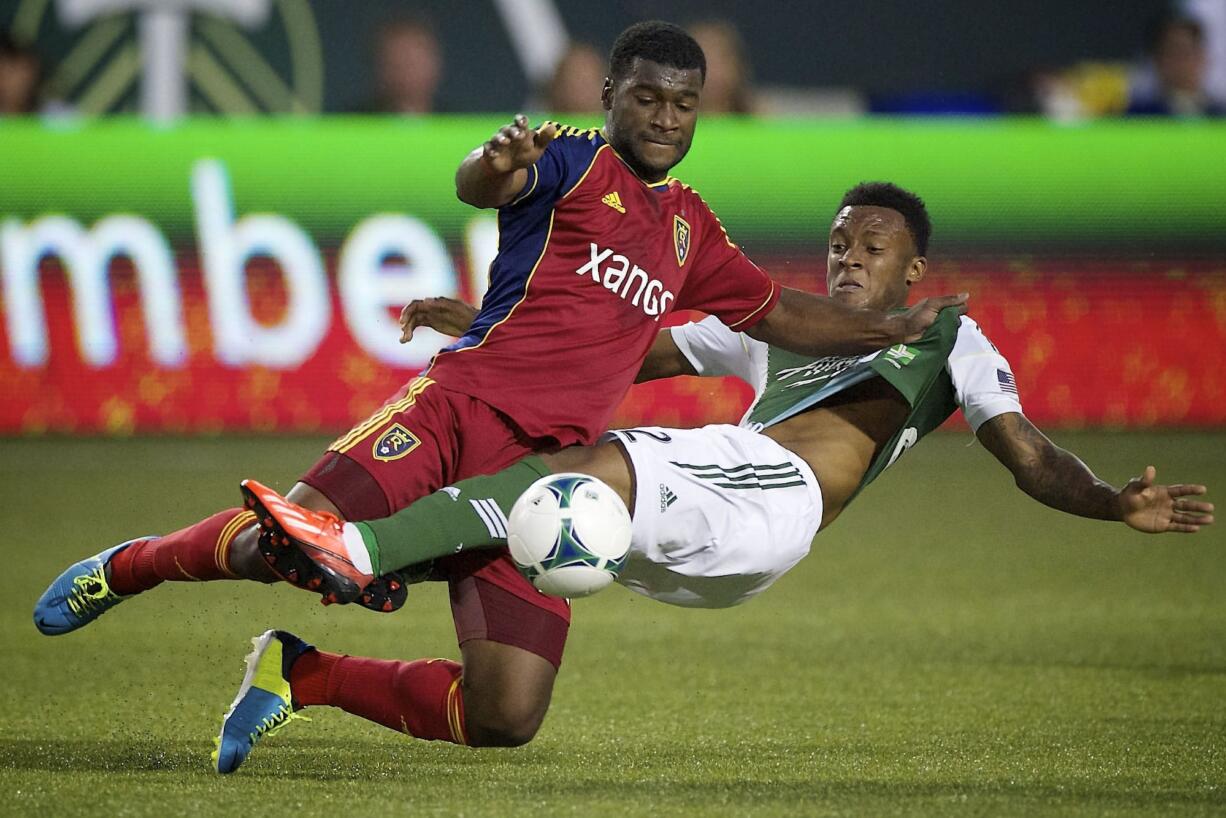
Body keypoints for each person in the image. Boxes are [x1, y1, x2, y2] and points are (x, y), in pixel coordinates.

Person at [34, 23, 963, 767]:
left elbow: (778, 315)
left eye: (684, 103)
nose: (666, 116)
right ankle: (128, 567)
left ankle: (302, 673)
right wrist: (499, 160)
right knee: (291, 543)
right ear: (609, 96)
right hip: (456, 412)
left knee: (506, 715)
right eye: (646, 96)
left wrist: (888, 329)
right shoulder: (566, 159)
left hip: (545, 477)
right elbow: (481, 180)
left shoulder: (690, 231)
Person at [223, 181, 1213, 768]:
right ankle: (302, 669)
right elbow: (612, 343)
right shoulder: (767, 335)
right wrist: (484, 323)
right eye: (836, 242)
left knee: (567, 475)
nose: (846, 258)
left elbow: (1026, 451)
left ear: (914, 268)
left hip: (769, 496)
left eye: (872, 247)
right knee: (504, 708)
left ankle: (358, 550)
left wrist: (1105, 499)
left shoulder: (948, 335)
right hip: (716, 537)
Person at [1126, 12, 1225, 116]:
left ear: (1203, 57)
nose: (1181, 62)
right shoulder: (1138, 116)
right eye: (1172, 52)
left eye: (1187, 52)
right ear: (1156, 59)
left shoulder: (1220, 114)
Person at [370, 16, 443, 114]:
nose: (407, 72)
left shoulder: (457, 122)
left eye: (414, 62)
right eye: (396, 64)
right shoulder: (356, 122)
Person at [544, 42, 606, 115]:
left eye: (587, 82)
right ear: (556, 87)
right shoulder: (535, 123)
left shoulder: (618, 124)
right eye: (574, 82)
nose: (582, 90)